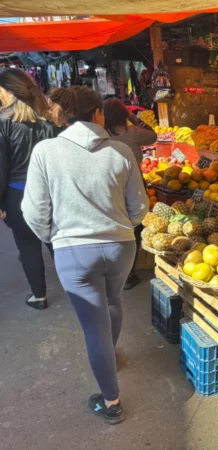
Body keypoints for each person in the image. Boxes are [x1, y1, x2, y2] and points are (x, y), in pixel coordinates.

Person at [22, 86, 149, 424]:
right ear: (97, 114)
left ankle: (111, 403)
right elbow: (140, 208)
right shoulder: (121, 150)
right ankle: (110, 355)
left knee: (94, 326)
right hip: (121, 246)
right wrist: (121, 226)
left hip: (73, 251)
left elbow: (34, 212)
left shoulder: (46, 152)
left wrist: (56, 238)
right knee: (113, 302)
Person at [0, 68, 57, 310]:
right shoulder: (51, 117)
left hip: (17, 194)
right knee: (56, 242)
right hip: (52, 191)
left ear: (8, 90)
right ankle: (80, 291)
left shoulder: (3, 121)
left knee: (27, 245)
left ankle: (39, 296)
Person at [103, 98, 156, 290]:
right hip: (132, 182)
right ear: (123, 115)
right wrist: (134, 118)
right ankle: (128, 271)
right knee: (134, 225)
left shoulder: (99, 134)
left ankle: (111, 269)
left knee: (111, 223)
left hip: (107, 184)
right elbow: (153, 136)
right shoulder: (132, 132)